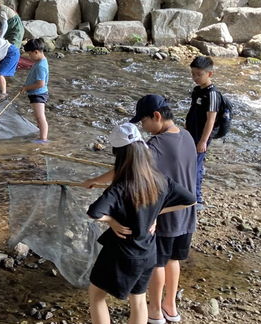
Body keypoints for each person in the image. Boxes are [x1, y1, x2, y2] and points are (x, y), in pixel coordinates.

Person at [86, 123, 196, 324]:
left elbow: (94, 213)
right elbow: (190, 200)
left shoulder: (120, 187)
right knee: (138, 300)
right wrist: (157, 212)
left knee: (96, 294)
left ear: (119, 155)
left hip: (122, 253)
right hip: (148, 251)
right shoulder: (160, 180)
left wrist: (112, 221)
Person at [185, 56, 221, 209]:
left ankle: (197, 199)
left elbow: (210, 121)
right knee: (191, 164)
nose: (195, 78)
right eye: (193, 74)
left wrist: (203, 141)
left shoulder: (212, 95)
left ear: (209, 74)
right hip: (191, 132)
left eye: (199, 74)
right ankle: (189, 193)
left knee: (196, 166)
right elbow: (193, 111)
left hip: (201, 136)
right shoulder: (197, 90)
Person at [20, 38, 49, 143]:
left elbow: (40, 84)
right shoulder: (40, 61)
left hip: (38, 94)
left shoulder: (41, 66)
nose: (29, 56)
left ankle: (43, 139)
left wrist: (26, 88)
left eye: (30, 54)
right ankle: (41, 134)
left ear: (36, 52)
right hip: (36, 94)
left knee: (40, 117)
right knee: (38, 117)